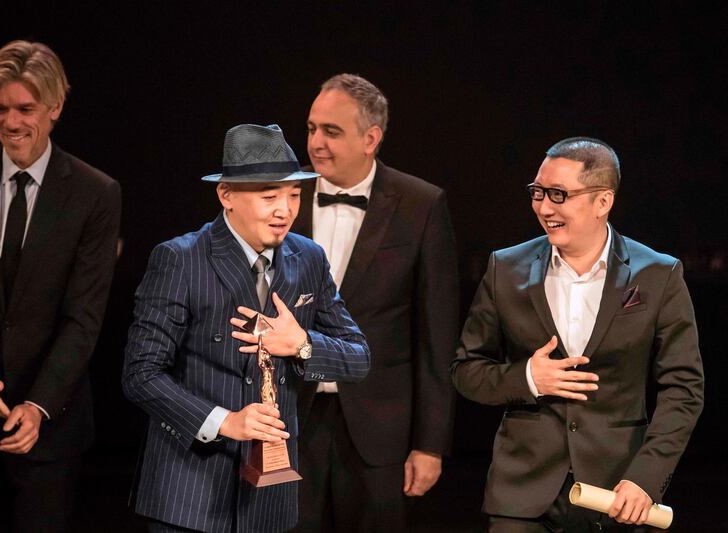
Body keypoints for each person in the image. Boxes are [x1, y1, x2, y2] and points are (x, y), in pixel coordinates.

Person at [122, 123, 370, 532]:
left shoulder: (308, 259)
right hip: (189, 495)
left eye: (293, 195)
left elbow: (359, 358)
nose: (285, 210)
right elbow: (141, 375)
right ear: (227, 196)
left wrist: (303, 344)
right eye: (269, 196)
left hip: (269, 498)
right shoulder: (180, 259)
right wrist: (223, 421)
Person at [451, 137, 704, 531]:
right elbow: (466, 370)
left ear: (603, 202)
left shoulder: (658, 274)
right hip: (521, 496)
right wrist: (529, 378)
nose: (544, 207)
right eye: (538, 192)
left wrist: (646, 477)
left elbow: (684, 388)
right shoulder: (505, 267)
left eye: (558, 194)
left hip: (616, 493)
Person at [0, 40, 121, 532]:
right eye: (0, 109)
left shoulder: (95, 193)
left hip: (51, 431)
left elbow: (84, 315)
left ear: (55, 107)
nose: (11, 123)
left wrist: (38, 405)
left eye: (25, 109)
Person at [292, 74, 459, 532]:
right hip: (288, 421)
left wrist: (429, 444)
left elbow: (437, 336)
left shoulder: (421, 204)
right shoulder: (282, 196)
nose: (316, 143)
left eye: (331, 131)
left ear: (371, 138)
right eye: (311, 129)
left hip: (378, 431)